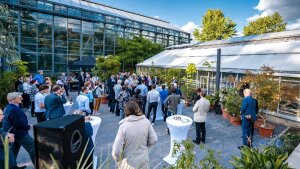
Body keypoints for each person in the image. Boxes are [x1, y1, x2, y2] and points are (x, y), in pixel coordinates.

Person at [112, 101, 157, 169]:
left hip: (128, 163)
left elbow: (116, 151)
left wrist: (118, 160)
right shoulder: (146, 121)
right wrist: (145, 146)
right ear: (137, 109)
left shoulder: (123, 126)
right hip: (143, 159)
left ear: (126, 110)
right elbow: (154, 139)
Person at [3, 92, 35, 165]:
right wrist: (28, 126)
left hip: (13, 134)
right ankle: (40, 165)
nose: (22, 99)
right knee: (33, 148)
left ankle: (12, 166)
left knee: (13, 152)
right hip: (20, 134)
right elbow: (20, 123)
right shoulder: (14, 109)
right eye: (19, 98)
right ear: (13, 100)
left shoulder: (7, 107)